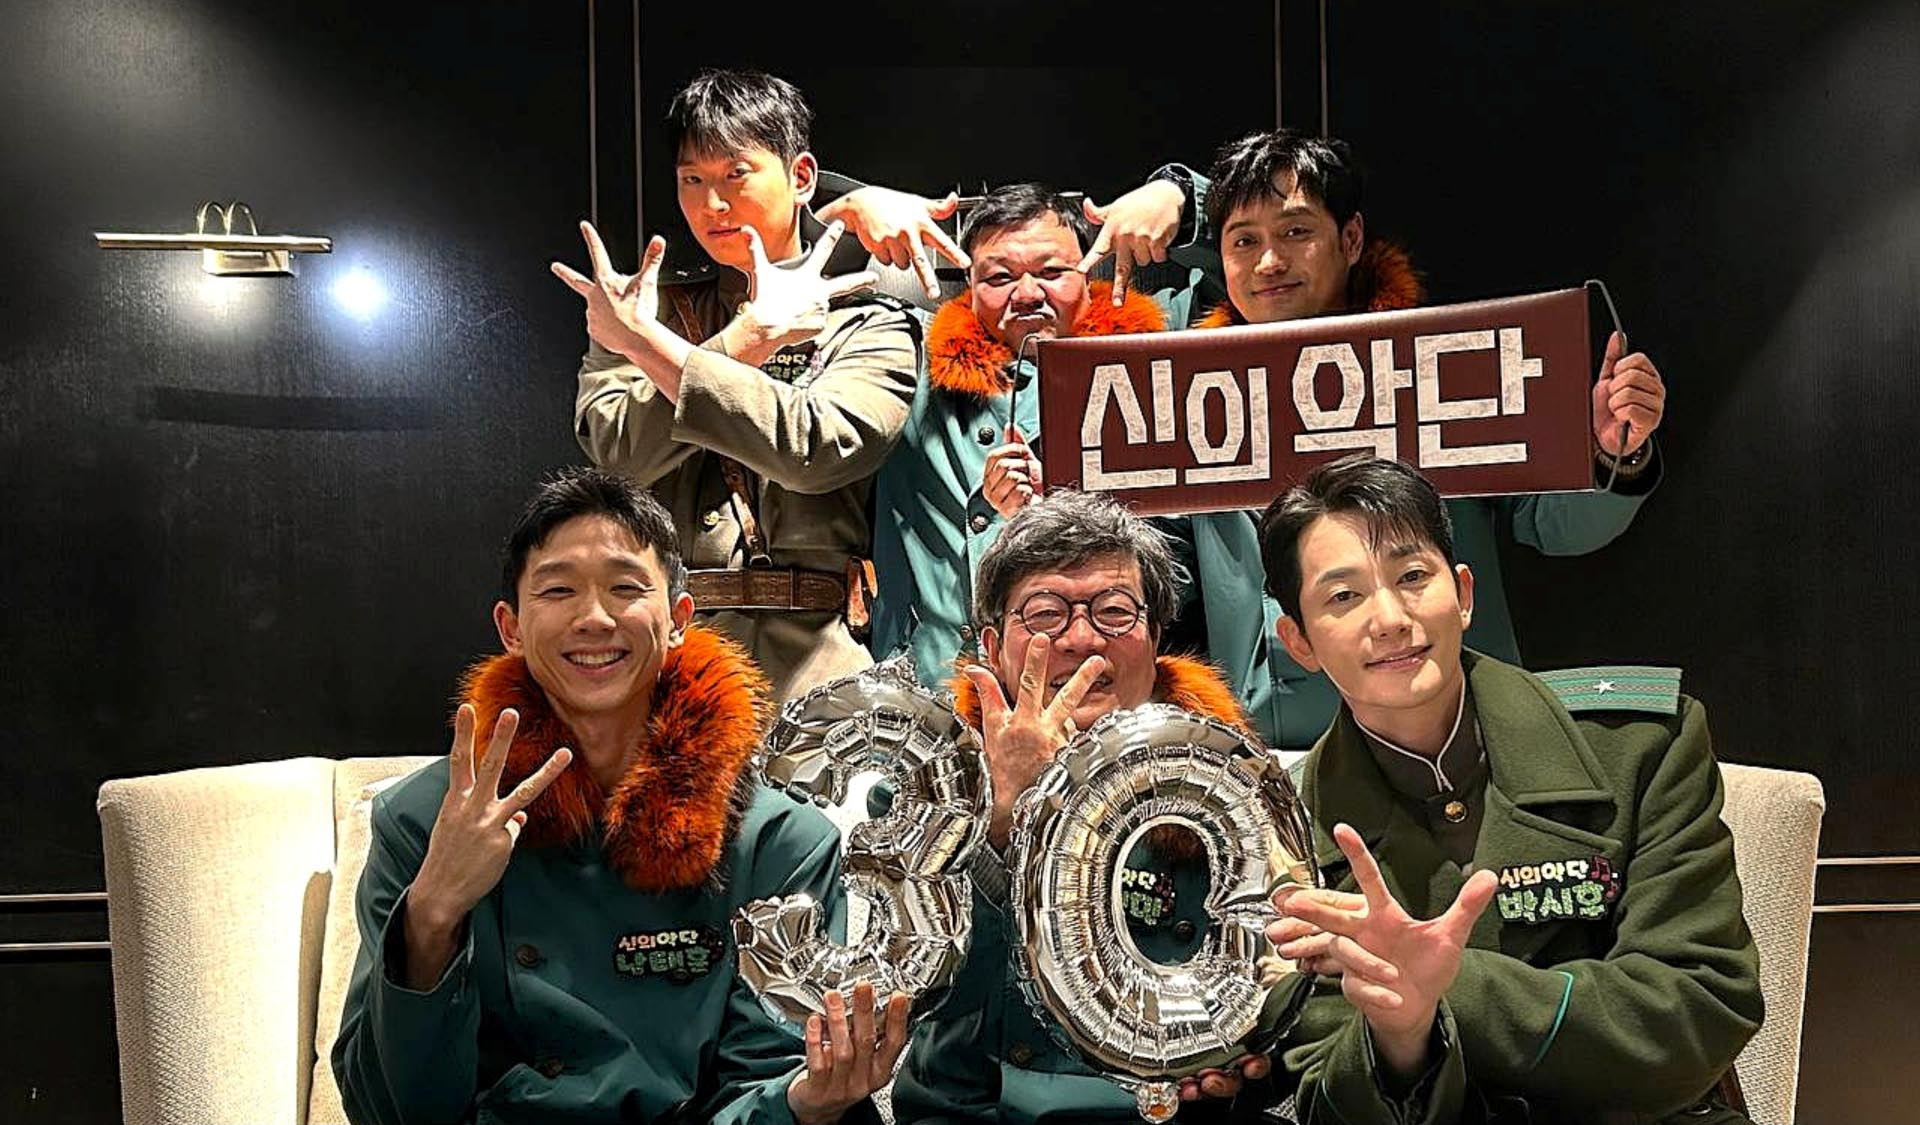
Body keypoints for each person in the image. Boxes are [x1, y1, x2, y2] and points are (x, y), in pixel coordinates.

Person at [332, 467, 907, 1124]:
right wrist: (432, 913)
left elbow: (766, 1076)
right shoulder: (423, 821)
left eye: (626, 588)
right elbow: (383, 1109)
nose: (595, 618)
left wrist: (807, 1101)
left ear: (679, 619)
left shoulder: (777, 841)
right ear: (511, 627)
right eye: (558, 589)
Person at [888, 489, 1477, 1125]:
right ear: (993, 643)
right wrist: (1006, 822)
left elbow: (1285, 1003)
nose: (1082, 639)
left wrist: (1249, 1060)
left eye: (1115, 611)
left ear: (1156, 637)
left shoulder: (1240, 787)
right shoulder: (922, 787)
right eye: (1045, 614)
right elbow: (926, 1000)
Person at [1080, 131, 1669, 749]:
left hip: (1454, 734)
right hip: (1278, 750)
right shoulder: (1191, 390)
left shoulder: (1437, 364)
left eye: (1297, 232)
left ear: (1351, 238)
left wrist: (1614, 453)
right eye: (1244, 242)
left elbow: (1556, 526)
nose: (1269, 262)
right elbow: (1162, 571)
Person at [1258, 453, 1760, 1124]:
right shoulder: (1285, 825)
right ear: (1299, 642)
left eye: (1412, 577)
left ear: (1464, 595)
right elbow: (1326, 1098)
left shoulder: (1637, 743)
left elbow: (1700, 1008)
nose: (1390, 618)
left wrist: (1453, 987)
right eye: (1343, 597)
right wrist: (1399, 1036)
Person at [866, 183, 1286, 748]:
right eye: (998, 277)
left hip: (1112, 711)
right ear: (966, 285)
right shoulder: (908, 359)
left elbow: (1254, 271)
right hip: (932, 711)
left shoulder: (1156, 355)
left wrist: (1180, 195)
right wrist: (856, 208)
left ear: (1090, 271)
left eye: (1052, 271)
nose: (1026, 293)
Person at [554, 68, 920, 705]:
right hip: (660, 659)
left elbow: (818, 449)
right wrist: (744, 341)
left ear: (800, 177)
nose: (712, 204)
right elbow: (619, 456)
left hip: (817, 665)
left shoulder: (868, 321)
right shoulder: (643, 311)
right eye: (691, 180)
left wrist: (653, 351)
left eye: (735, 174)